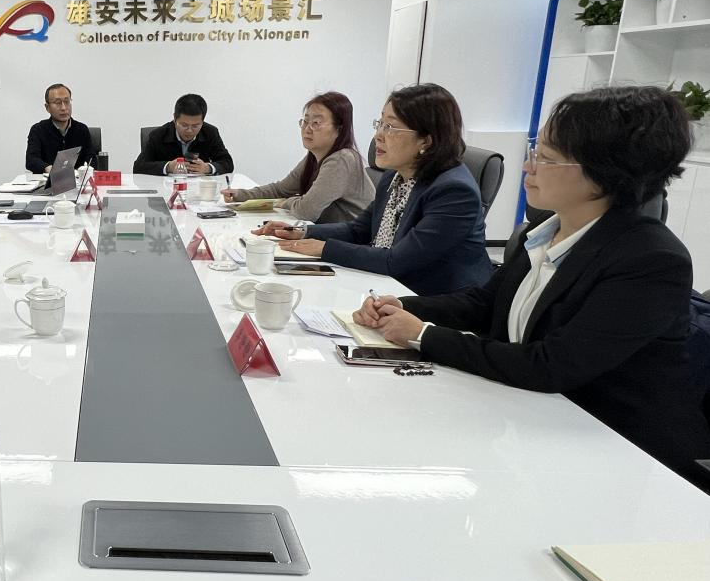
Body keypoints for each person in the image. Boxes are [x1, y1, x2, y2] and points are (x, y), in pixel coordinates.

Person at [352, 86, 709, 488]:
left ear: (604, 172)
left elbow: (550, 365)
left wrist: (423, 335)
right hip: (530, 422)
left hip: (613, 457)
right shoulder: (540, 233)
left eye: (546, 158)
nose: (528, 166)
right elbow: (484, 304)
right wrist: (402, 306)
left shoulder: (650, 260)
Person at [257, 83, 491, 295]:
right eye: (380, 124)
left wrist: (324, 249)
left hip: (436, 302)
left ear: (426, 141)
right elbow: (359, 230)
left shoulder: (453, 192)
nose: (378, 136)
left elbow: (396, 261)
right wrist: (303, 232)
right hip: (388, 287)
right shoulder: (394, 176)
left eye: (391, 127)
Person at [221, 91, 374, 223]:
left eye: (316, 123)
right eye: (305, 121)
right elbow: (280, 189)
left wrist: (286, 202)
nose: (307, 128)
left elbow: (306, 211)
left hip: (352, 242)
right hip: (328, 235)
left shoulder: (342, 160)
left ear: (339, 129)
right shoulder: (315, 156)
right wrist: (240, 195)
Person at [134, 93, 234, 176]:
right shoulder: (158, 135)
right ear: (175, 118)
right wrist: (168, 167)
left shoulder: (210, 133)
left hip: (198, 188)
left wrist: (207, 168)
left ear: (202, 121)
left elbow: (227, 163)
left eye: (195, 126)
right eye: (184, 125)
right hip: (166, 187)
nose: (189, 130)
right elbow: (138, 166)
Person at [25, 83, 98, 173]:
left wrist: (82, 171)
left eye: (67, 101)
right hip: (47, 180)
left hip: (77, 179)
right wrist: (49, 169)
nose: (63, 108)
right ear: (47, 107)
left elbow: (92, 160)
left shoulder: (82, 129)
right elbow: (31, 160)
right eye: (58, 103)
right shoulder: (38, 130)